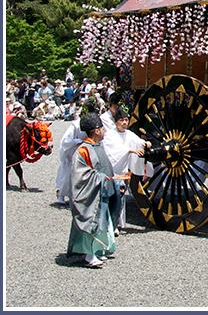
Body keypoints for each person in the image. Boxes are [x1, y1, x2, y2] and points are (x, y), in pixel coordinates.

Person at [66, 113, 125, 268]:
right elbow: (80, 174)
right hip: (92, 194)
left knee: (103, 222)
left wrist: (115, 182)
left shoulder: (98, 147)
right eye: (102, 128)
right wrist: (98, 177)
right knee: (92, 222)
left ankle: (98, 250)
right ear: (97, 131)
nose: (104, 131)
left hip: (103, 191)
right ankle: (88, 254)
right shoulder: (84, 150)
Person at [103, 109, 152, 230]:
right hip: (113, 171)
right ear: (115, 122)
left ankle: (117, 224)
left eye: (126, 120)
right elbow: (115, 149)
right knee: (112, 198)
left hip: (123, 171)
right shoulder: (110, 135)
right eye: (121, 120)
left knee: (120, 197)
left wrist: (145, 143)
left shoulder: (128, 133)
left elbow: (137, 141)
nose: (124, 123)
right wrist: (131, 150)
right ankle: (110, 225)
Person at [55, 99, 98, 204]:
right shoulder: (75, 124)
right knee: (67, 176)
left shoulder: (92, 125)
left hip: (85, 152)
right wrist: (80, 141)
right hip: (72, 152)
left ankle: (75, 196)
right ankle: (61, 194)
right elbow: (66, 141)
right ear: (83, 112)